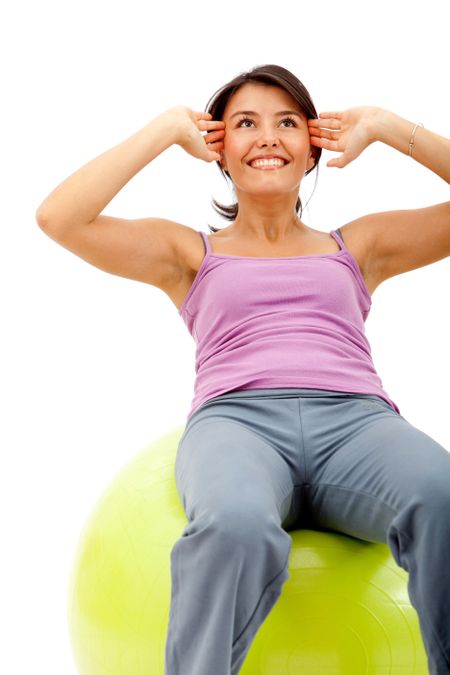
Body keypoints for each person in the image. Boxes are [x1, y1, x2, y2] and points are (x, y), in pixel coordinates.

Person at [35, 64, 450, 675]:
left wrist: (389, 127)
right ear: (219, 150)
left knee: (441, 495)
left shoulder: (357, 247)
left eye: (287, 123)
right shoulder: (189, 254)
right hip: (238, 424)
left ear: (312, 146)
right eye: (245, 124)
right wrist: (162, 131)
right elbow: (58, 219)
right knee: (233, 525)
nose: (267, 137)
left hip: (357, 425)